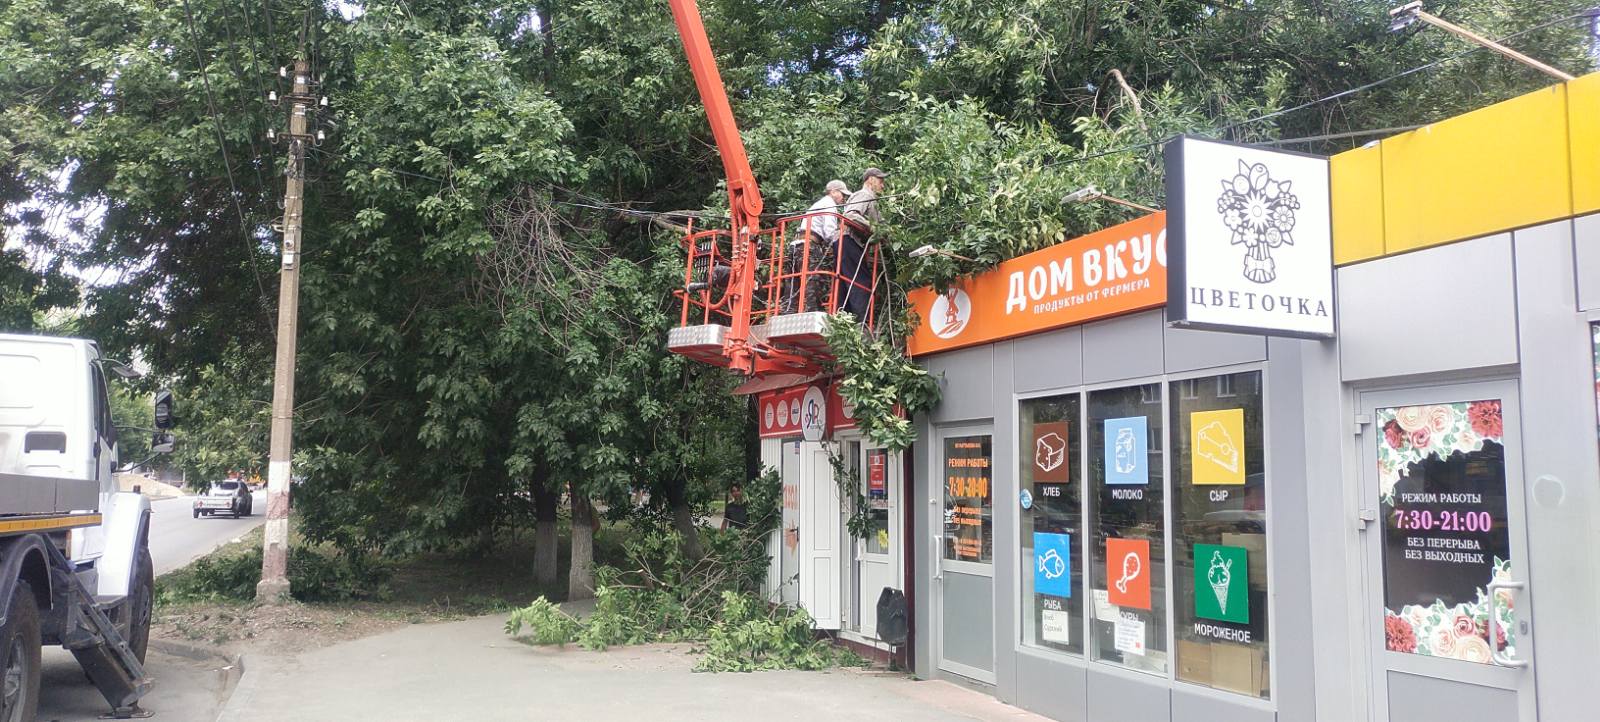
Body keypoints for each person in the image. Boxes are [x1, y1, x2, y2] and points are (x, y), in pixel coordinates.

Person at [783, 180, 850, 313]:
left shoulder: (820, 204)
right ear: (833, 192)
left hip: (797, 245)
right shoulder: (829, 205)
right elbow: (829, 232)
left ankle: (789, 311)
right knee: (812, 280)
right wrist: (843, 236)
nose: (843, 198)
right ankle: (813, 310)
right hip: (808, 245)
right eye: (842, 194)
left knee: (793, 282)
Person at [835, 167, 887, 319]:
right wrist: (874, 228)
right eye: (880, 181)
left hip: (846, 241)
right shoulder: (865, 195)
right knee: (861, 281)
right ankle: (861, 322)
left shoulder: (871, 199)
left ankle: (844, 319)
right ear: (871, 180)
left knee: (846, 282)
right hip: (848, 240)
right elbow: (851, 215)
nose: (883, 185)